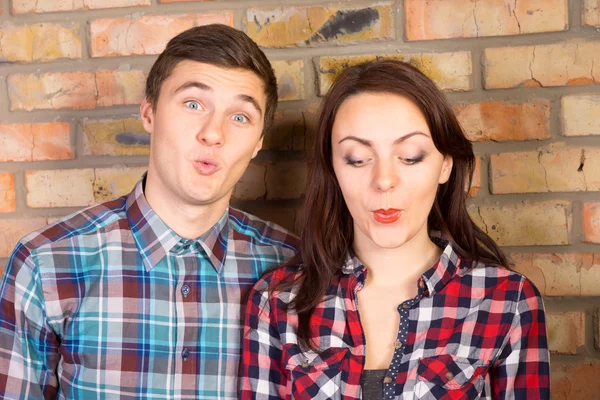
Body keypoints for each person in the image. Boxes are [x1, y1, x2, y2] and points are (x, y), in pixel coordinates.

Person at [0, 24, 297, 399]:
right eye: (194, 104)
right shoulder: (46, 262)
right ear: (149, 113)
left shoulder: (292, 269)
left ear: (257, 143)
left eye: (240, 117)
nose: (213, 133)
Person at [240, 60, 549, 399]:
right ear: (333, 169)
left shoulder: (506, 300)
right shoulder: (279, 301)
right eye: (357, 158)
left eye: (411, 156)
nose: (384, 181)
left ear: (445, 164)